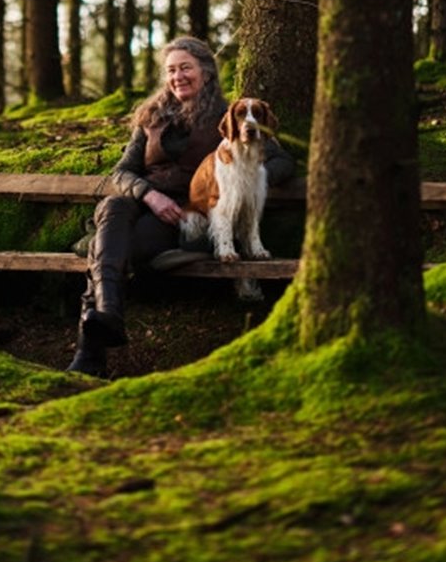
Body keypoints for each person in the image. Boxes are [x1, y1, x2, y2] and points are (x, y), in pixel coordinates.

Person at [66, 36, 295, 378]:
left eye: (186, 68)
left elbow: (282, 161)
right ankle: (109, 317)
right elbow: (122, 172)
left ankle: (91, 349)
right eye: (171, 70)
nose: (178, 77)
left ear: (206, 72)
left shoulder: (230, 116)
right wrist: (148, 194)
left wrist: (243, 176)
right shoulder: (150, 117)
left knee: (108, 248)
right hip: (141, 202)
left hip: (183, 214)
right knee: (114, 207)